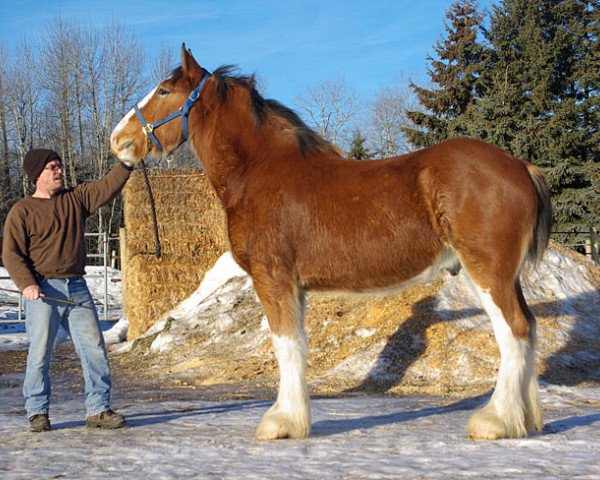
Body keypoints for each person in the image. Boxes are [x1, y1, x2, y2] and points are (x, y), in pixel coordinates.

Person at [2, 148, 133, 432]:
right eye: (52, 167)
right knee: (40, 353)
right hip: (43, 290)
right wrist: (27, 284)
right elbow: (12, 254)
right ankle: (37, 412)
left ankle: (98, 409)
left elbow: (107, 186)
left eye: (59, 165)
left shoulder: (76, 199)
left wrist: (126, 163)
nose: (59, 170)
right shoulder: (22, 211)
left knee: (94, 349)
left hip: (77, 286)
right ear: (38, 174)